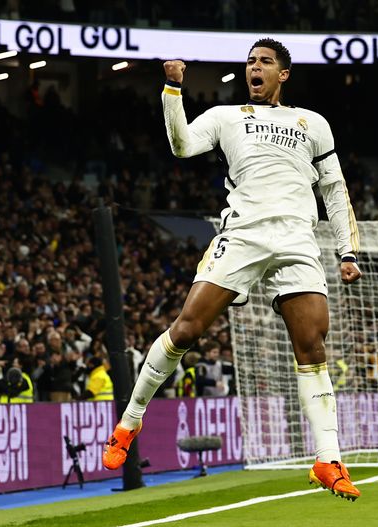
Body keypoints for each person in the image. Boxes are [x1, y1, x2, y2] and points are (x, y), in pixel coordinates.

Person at [103, 38, 362, 500]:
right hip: (243, 235)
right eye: (249, 62)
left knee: (313, 342)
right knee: (186, 330)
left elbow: (336, 190)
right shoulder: (227, 117)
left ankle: (328, 459)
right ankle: (130, 420)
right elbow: (182, 146)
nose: (253, 68)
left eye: (263, 62)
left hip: (298, 240)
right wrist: (172, 89)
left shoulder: (312, 124)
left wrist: (347, 252)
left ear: (283, 74)